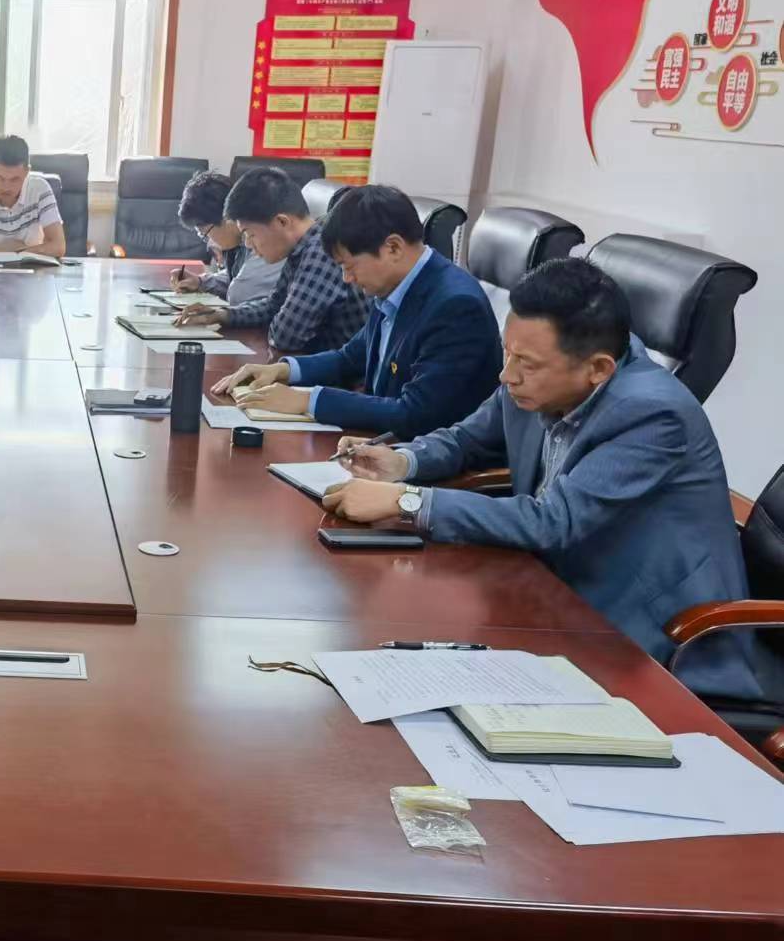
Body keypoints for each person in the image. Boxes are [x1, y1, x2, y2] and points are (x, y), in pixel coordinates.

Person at [326, 258, 771, 703]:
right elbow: (468, 438)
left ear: (598, 369)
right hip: (552, 593)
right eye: (508, 353)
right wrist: (403, 462)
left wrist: (406, 501)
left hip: (650, 641)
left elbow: (555, 521)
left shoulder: (654, 414)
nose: (507, 375)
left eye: (525, 363)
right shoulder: (540, 373)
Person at [211, 184, 501, 440]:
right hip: (377, 443)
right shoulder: (394, 285)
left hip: (424, 461)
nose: (347, 278)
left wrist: (306, 401)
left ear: (393, 248)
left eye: (349, 267)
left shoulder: (455, 306)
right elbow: (351, 358)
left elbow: (415, 413)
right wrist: (283, 370)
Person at [174, 166, 368, 353]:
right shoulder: (300, 248)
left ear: (282, 222)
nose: (248, 244)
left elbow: (286, 336)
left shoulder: (320, 251)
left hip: (344, 372)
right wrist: (222, 315)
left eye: (250, 234)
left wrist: (276, 316)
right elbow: (272, 305)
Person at [169, 170, 282, 306]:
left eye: (205, 233)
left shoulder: (263, 239)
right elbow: (235, 276)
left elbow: (239, 294)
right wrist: (200, 282)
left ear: (227, 217)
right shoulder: (240, 240)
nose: (208, 243)